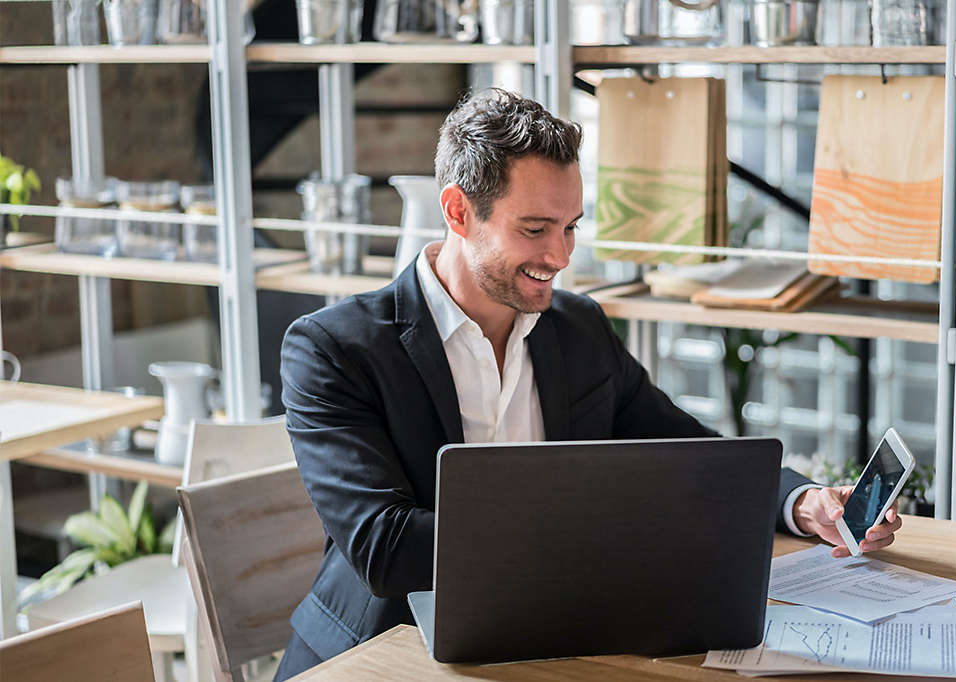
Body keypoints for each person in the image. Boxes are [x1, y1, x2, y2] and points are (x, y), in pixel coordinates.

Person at [274, 89, 902, 679]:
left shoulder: (576, 328)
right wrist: (602, 525)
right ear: (459, 211)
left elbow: (694, 453)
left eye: (570, 225)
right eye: (535, 229)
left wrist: (803, 502)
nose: (560, 255)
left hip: (546, 641)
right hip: (382, 653)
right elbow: (385, 549)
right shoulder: (334, 349)